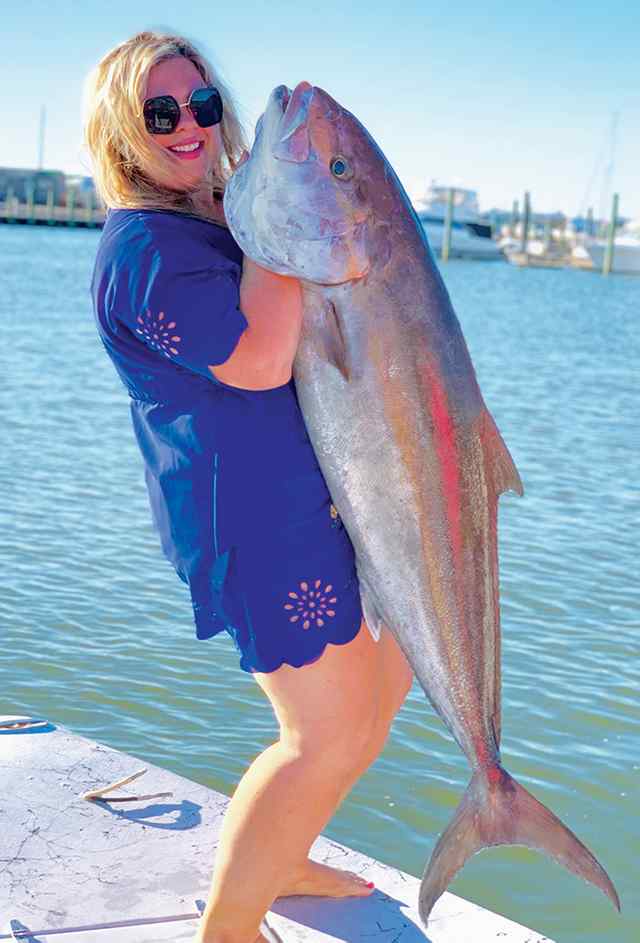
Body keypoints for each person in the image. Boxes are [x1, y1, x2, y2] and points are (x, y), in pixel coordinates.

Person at [83, 30, 413, 943]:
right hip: (252, 524)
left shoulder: (208, 218)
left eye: (202, 105)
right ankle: (226, 927)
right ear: (122, 132)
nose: (188, 125)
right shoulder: (144, 248)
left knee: (386, 682)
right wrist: (281, 215)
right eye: (160, 112)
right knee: (324, 734)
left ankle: (283, 849)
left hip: (310, 503)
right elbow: (263, 360)